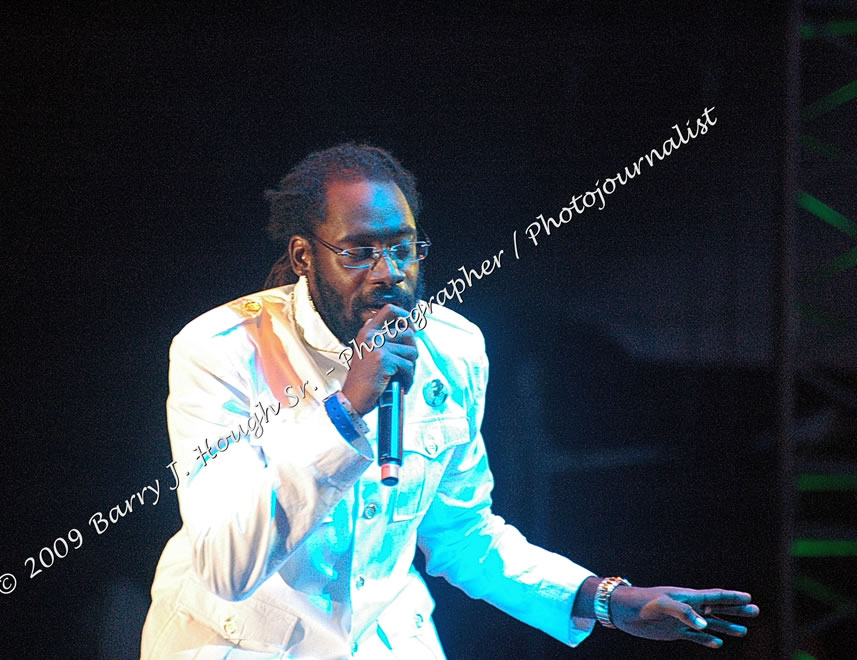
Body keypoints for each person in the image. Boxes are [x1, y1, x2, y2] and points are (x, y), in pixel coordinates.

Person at [140, 143, 759, 659]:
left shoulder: (455, 350)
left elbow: (464, 534)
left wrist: (603, 599)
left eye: (404, 248)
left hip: (384, 641)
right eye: (359, 252)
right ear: (305, 256)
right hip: (236, 644)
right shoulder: (221, 351)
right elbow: (226, 565)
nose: (388, 273)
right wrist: (344, 413)